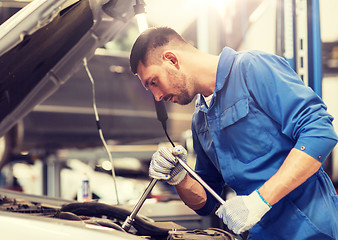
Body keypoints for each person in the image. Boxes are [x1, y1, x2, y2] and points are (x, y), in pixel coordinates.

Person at [129, 27, 338, 239]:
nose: (156, 97)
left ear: (171, 60)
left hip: (311, 230)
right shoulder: (200, 119)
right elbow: (207, 201)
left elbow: (319, 132)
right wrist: (180, 177)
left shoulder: (252, 67)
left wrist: (260, 200)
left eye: (153, 82)